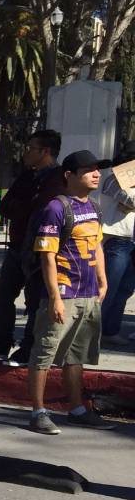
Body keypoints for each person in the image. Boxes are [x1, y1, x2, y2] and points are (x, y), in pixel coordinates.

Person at [26, 150, 114, 434]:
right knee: (45, 352)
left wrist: (102, 280)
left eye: (97, 169)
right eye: (89, 170)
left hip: (89, 295)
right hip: (64, 293)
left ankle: (76, 408)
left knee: (77, 355)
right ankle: (38, 411)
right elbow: (47, 256)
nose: (96, 174)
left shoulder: (94, 208)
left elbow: (98, 246)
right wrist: (54, 297)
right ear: (69, 175)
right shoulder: (56, 208)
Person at [0, 129, 66, 365]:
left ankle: (27, 348)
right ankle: (2, 339)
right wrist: (25, 205)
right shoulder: (27, 176)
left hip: (38, 250)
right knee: (3, 294)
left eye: (31, 148)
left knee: (34, 301)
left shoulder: (57, 179)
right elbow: (4, 207)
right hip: (16, 246)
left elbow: (42, 211)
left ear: (45, 152)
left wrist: (24, 206)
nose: (26, 153)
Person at [98, 140, 135, 346]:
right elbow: (131, 200)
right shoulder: (114, 179)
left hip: (132, 240)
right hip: (117, 241)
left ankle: (110, 330)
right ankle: (93, 331)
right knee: (108, 288)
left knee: (125, 289)